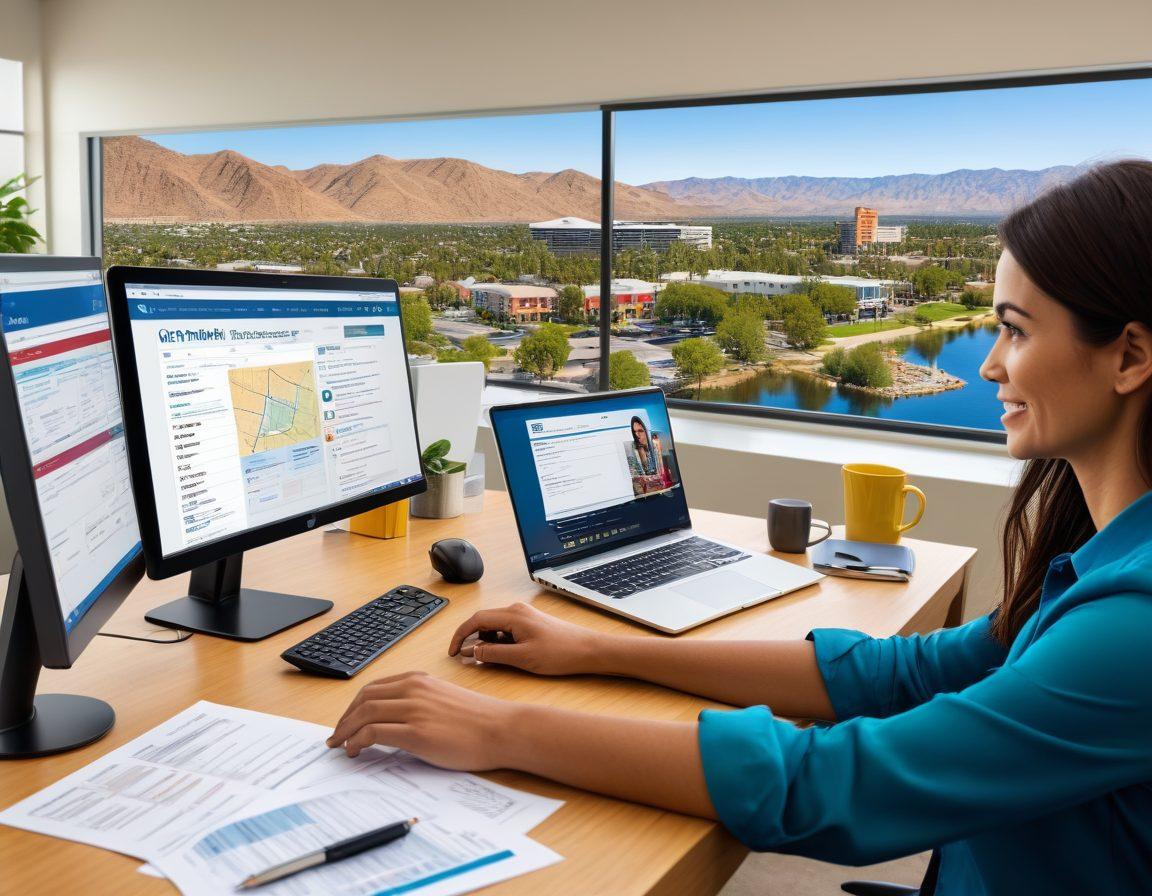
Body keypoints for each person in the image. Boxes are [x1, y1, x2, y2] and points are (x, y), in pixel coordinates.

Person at [328, 161, 1152, 894]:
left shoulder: (1135, 628)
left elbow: (837, 785)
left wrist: (500, 728)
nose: (989, 364)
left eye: (1014, 328)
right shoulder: (1102, 562)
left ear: (1128, 357)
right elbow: (899, 675)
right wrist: (602, 650)